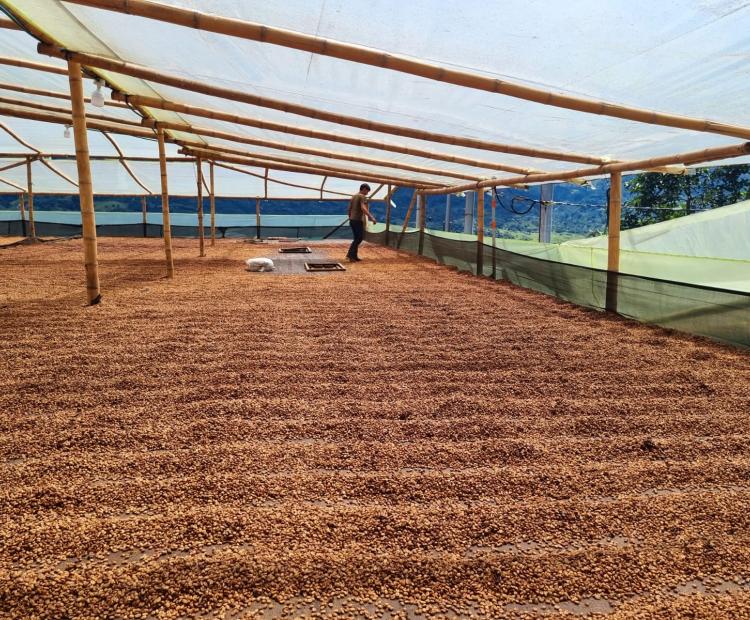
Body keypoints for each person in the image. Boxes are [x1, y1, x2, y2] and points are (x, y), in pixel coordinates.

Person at [346, 183, 376, 262]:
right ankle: (350, 255)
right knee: (359, 238)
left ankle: (354, 256)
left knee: (356, 238)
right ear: (364, 189)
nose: (367, 193)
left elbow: (349, 208)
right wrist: (371, 217)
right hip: (357, 220)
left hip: (352, 220)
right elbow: (363, 208)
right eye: (367, 191)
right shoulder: (362, 196)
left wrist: (350, 217)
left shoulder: (354, 196)